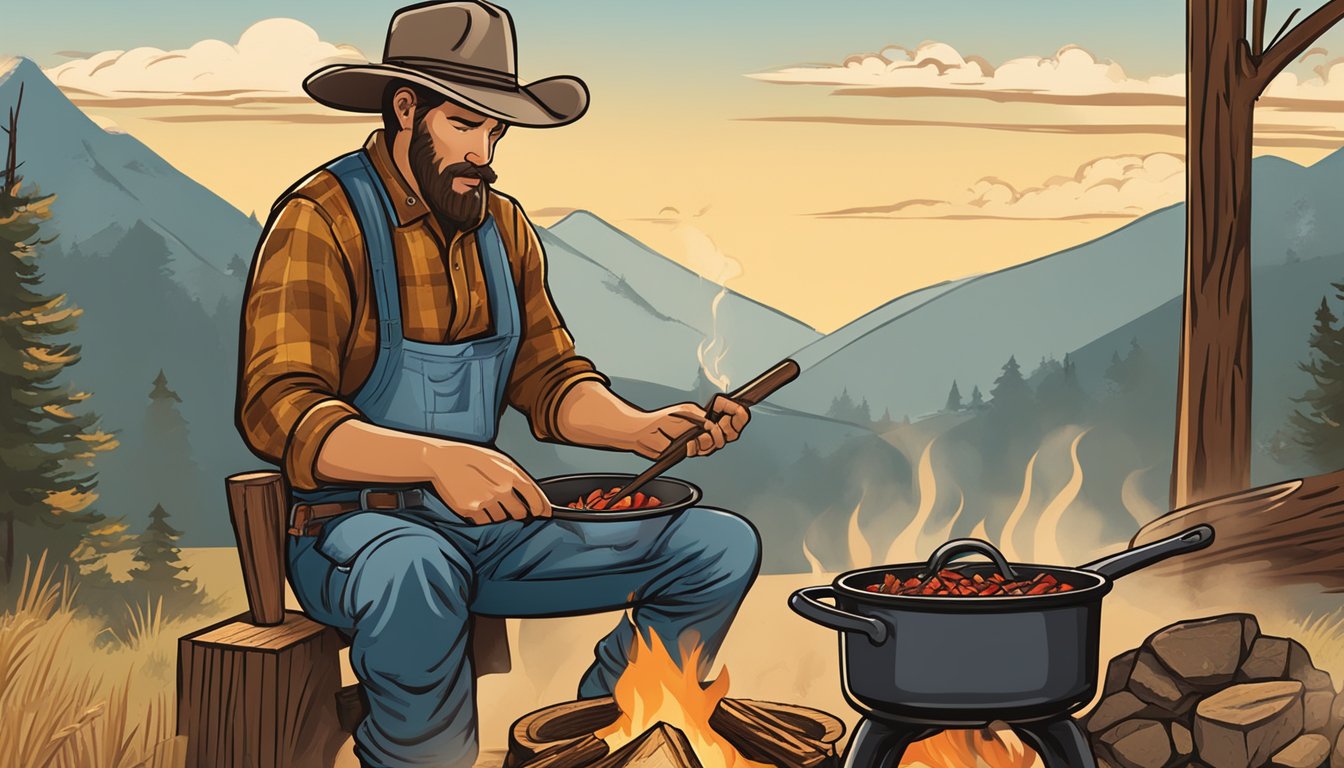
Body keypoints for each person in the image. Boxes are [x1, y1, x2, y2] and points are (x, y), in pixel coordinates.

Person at [234, 2, 761, 766]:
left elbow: (547, 380)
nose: (484, 153)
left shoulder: (502, 226)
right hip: (355, 533)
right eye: (465, 125)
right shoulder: (323, 218)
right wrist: (435, 460)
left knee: (716, 546)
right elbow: (278, 410)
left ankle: (598, 737)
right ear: (405, 109)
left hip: (490, 528)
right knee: (415, 569)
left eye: (495, 131)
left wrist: (637, 429)